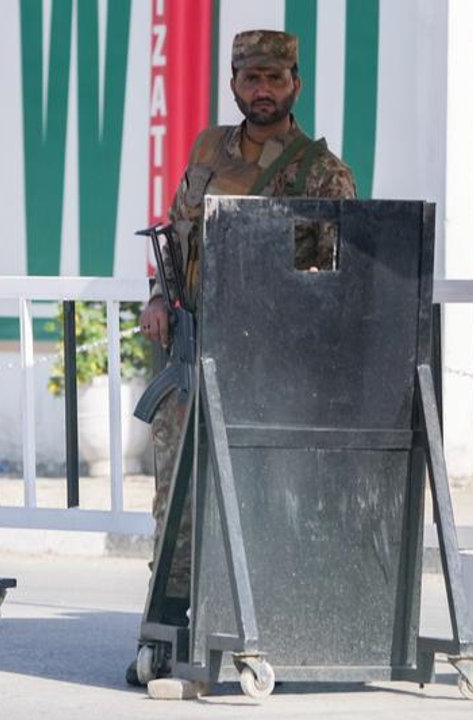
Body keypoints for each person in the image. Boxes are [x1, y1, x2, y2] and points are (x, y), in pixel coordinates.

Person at [128, 29, 357, 686]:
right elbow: (177, 233)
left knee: (260, 498)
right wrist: (158, 296)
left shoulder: (320, 173)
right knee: (176, 498)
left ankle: (260, 630)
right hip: (190, 344)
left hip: (266, 362)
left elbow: (321, 277)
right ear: (233, 83)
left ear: (294, 85)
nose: (262, 90)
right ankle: (167, 630)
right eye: (250, 78)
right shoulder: (207, 150)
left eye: (274, 78)